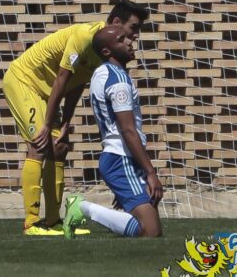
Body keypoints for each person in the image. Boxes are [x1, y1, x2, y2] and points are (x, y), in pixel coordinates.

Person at [2, 0, 150, 235]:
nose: (135, 36)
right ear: (117, 23)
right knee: (39, 145)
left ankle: (53, 222)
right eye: (133, 28)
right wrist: (49, 124)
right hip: (24, 81)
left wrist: (66, 123)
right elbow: (63, 77)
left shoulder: (106, 50)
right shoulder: (84, 36)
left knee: (59, 148)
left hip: (46, 92)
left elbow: (76, 84)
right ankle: (31, 222)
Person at [62, 26, 163, 239]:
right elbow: (127, 129)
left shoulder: (101, 72)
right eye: (121, 39)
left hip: (117, 156)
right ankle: (82, 207)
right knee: (150, 230)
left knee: (150, 224)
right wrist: (151, 172)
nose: (129, 41)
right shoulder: (118, 81)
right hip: (121, 158)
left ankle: (85, 208)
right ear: (107, 51)